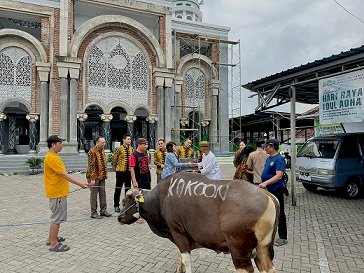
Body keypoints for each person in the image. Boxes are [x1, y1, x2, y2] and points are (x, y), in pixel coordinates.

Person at [44, 135, 88, 252]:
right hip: (57, 193)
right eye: (60, 143)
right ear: (53, 144)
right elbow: (63, 174)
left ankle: (51, 238)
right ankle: (53, 244)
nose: (61, 145)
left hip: (57, 192)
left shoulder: (52, 156)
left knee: (56, 217)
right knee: (57, 218)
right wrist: (81, 184)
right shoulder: (53, 158)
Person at [259, 139, 288, 246]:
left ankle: (283, 237)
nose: (265, 148)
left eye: (267, 146)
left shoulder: (279, 159)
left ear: (272, 147)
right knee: (269, 212)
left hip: (276, 190)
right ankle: (269, 233)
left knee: (279, 213)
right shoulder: (269, 158)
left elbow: (279, 175)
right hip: (268, 190)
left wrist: (265, 183)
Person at [86, 136, 112, 219]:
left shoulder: (102, 150)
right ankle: (93, 212)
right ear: (97, 143)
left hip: (102, 176)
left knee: (102, 193)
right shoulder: (92, 152)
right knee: (94, 195)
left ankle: (103, 211)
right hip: (94, 177)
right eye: (102, 142)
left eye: (104, 142)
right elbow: (91, 166)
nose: (104, 144)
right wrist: (92, 179)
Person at [112, 133, 133, 213]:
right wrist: (115, 169)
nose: (129, 140)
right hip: (120, 172)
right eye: (128, 139)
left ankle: (126, 205)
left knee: (128, 189)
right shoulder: (119, 149)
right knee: (118, 189)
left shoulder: (131, 149)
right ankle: (116, 205)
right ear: (123, 140)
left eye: (130, 139)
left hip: (128, 172)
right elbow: (115, 160)